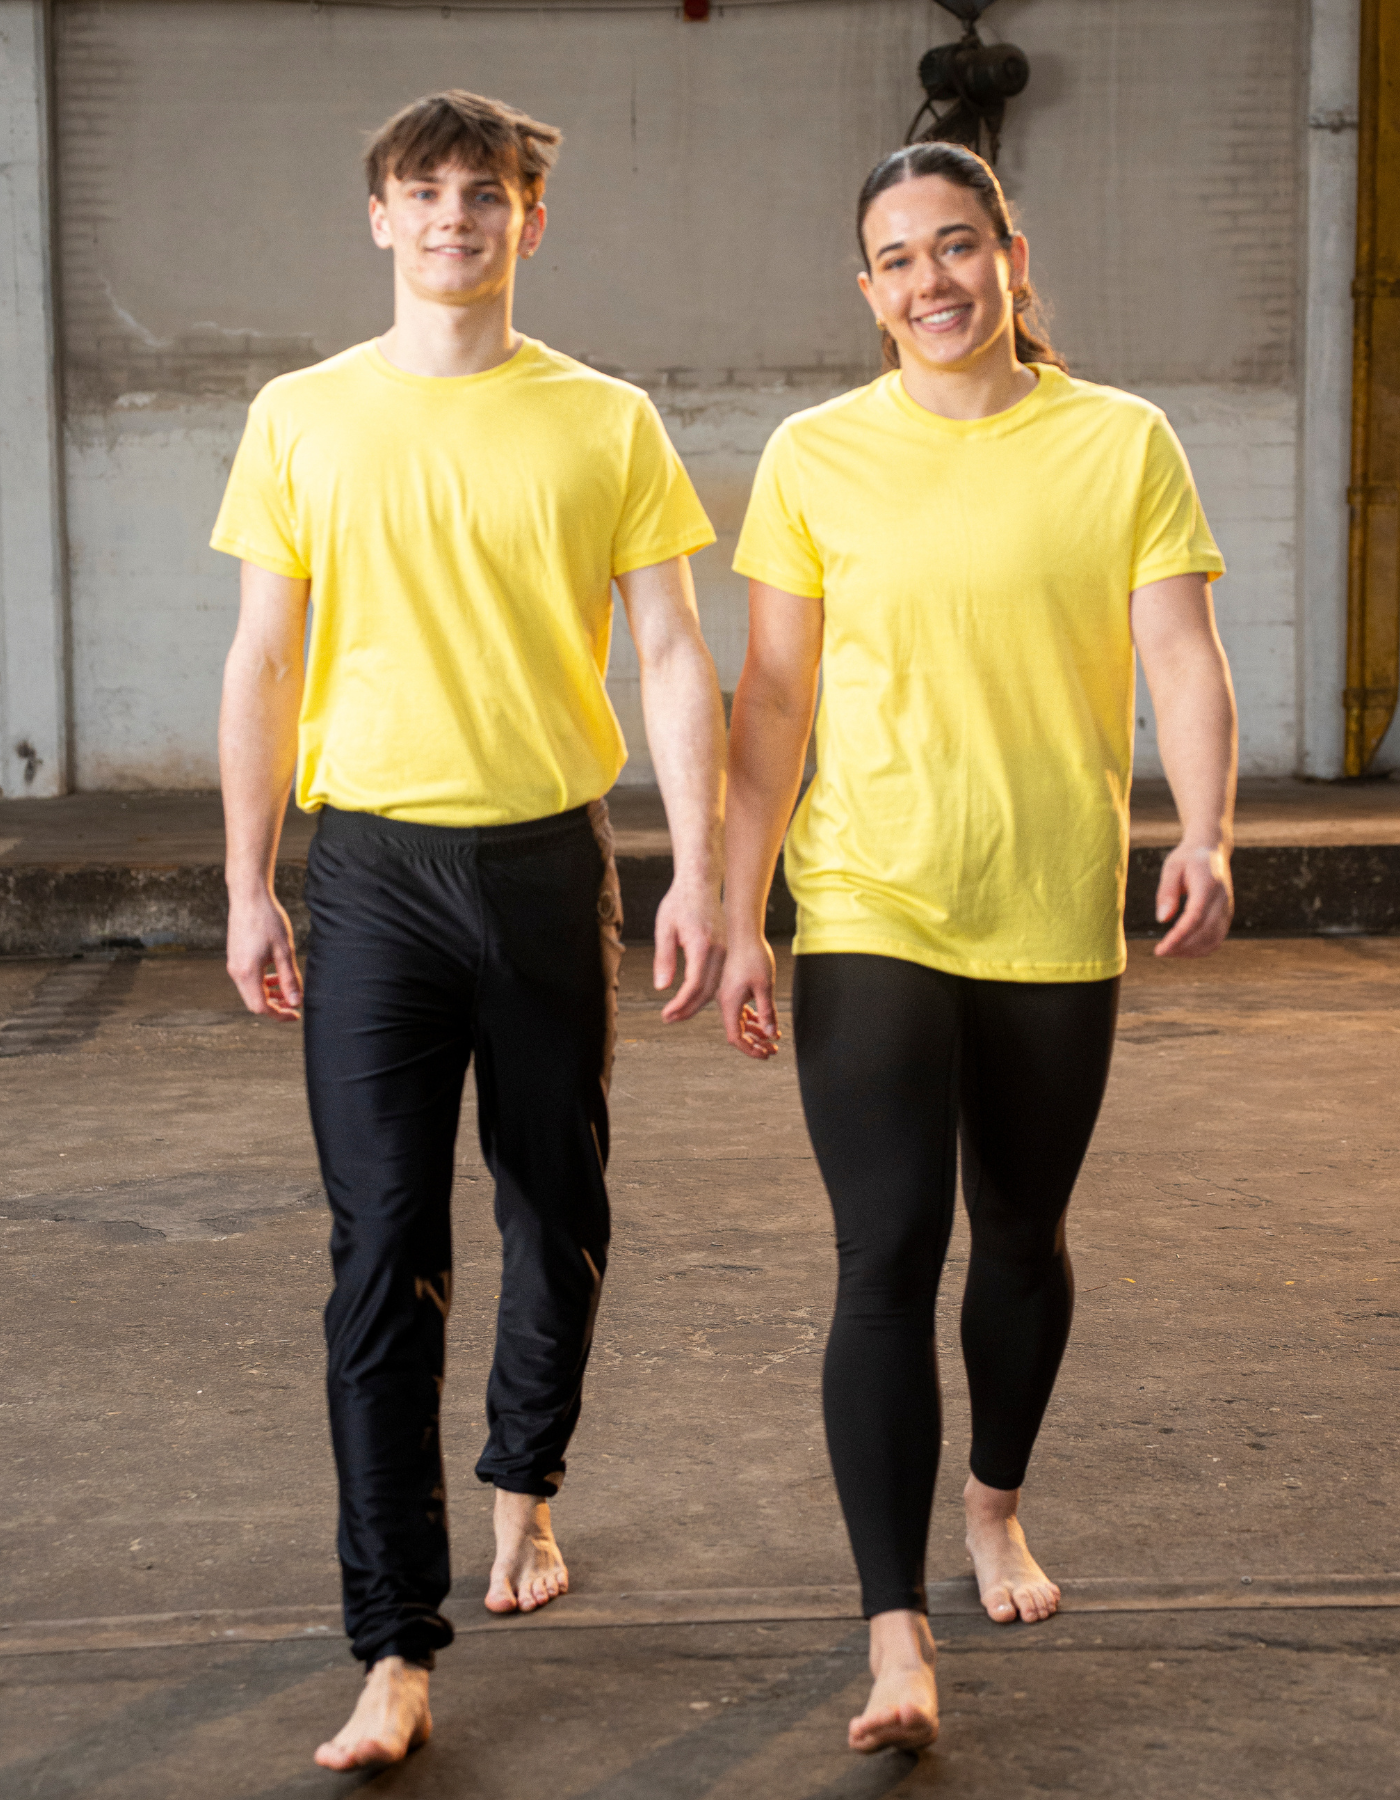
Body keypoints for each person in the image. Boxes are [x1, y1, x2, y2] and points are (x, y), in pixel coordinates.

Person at [213, 90, 726, 1771]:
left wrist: (702, 868)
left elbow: (670, 652)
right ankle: (394, 1644)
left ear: (530, 221)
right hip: (370, 871)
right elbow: (264, 658)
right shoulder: (301, 416)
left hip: (543, 866)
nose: (455, 217)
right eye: (425, 192)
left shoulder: (604, 421)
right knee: (382, 1251)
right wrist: (249, 878)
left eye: (487, 193)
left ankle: (526, 1482)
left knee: (555, 1206)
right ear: (380, 217)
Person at [718, 141, 1236, 1756]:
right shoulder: (814, 455)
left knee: (1019, 1236)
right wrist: (738, 907)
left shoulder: (1120, 441)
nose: (930, 280)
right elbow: (774, 701)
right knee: (886, 1251)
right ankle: (896, 1636)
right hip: (869, 898)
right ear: (865, 291)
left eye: (956, 245)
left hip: (1050, 903)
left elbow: (1181, 653)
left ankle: (994, 1505)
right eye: (897, 258)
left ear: (1010, 254)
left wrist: (1208, 830)